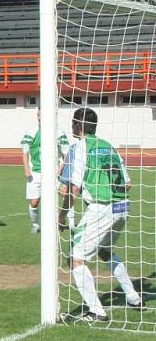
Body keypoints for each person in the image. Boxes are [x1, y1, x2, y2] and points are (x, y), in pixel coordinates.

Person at [58, 107, 146, 322]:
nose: (71, 127)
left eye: (73, 123)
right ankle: (134, 297)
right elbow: (128, 184)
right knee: (105, 251)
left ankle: (96, 310)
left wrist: (61, 216)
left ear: (78, 125)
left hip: (102, 207)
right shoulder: (109, 147)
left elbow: (75, 189)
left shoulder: (80, 147)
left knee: (76, 258)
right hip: (122, 207)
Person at [20, 110, 71, 233]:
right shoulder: (31, 132)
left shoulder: (59, 133)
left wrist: (60, 170)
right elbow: (25, 152)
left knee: (67, 195)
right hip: (35, 173)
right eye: (38, 114)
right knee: (34, 202)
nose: (39, 117)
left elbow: (66, 154)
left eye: (42, 114)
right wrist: (26, 168)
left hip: (54, 172)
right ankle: (35, 225)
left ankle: (68, 222)